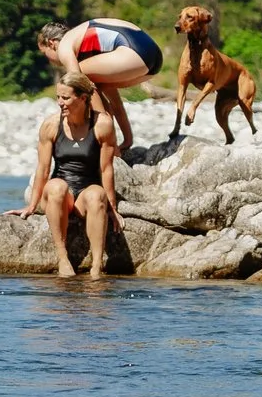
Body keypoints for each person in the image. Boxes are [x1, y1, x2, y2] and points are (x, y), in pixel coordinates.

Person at [9, 71, 121, 279]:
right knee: (57, 186)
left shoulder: (102, 124)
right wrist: (32, 205)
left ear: (83, 98)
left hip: (86, 194)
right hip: (60, 196)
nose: (60, 103)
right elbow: (42, 169)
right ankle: (63, 258)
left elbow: (106, 169)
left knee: (97, 194)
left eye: (66, 98)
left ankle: (97, 265)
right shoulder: (51, 125)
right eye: (58, 97)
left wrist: (112, 208)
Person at [36, 17, 162, 151]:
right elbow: (116, 103)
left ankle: (103, 135)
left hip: (134, 52)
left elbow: (79, 83)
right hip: (153, 59)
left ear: (51, 43)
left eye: (45, 54)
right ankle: (121, 140)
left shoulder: (64, 47)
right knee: (100, 85)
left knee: (80, 79)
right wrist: (127, 139)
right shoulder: (87, 47)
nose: (49, 60)